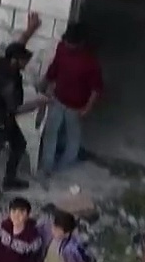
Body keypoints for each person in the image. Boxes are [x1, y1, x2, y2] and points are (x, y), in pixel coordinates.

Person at [0, 13, 47, 194]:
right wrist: (40, 102)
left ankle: (9, 179)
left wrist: (30, 29)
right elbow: (15, 108)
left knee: (19, 144)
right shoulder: (9, 83)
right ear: (15, 61)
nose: (26, 63)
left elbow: (16, 47)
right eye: (24, 61)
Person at [38, 23, 102, 175]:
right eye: (67, 41)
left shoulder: (90, 62)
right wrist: (44, 83)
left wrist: (87, 108)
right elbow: (54, 67)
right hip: (58, 99)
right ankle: (47, 167)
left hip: (76, 106)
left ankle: (64, 167)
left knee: (73, 138)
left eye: (71, 43)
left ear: (81, 43)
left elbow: (96, 89)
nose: (68, 45)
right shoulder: (61, 48)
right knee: (50, 133)